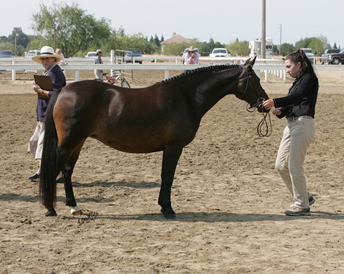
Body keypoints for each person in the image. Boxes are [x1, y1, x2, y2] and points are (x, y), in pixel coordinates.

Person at [262, 49, 318, 216]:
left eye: (288, 67)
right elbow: (294, 102)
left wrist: (275, 101)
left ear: (299, 65)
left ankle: (302, 204)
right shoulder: (298, 81)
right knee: (280, 165)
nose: (286, 70)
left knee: (294, 165)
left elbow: (299, 97)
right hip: (292, 124)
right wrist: (281, 110)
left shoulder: (309, 79)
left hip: (303, 123)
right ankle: (304, 196)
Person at [28, 46, 67, 181]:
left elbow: (57, 94)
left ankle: (49, 172)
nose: (44, 60)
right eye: (43, 58)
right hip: (43, 113)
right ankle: (46, 171)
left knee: (43, 144)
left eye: (47, 58)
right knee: (38, 141)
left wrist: (40, 91)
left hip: (49, 113)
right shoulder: (48, 71)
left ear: (52, 58)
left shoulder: (54, 72)